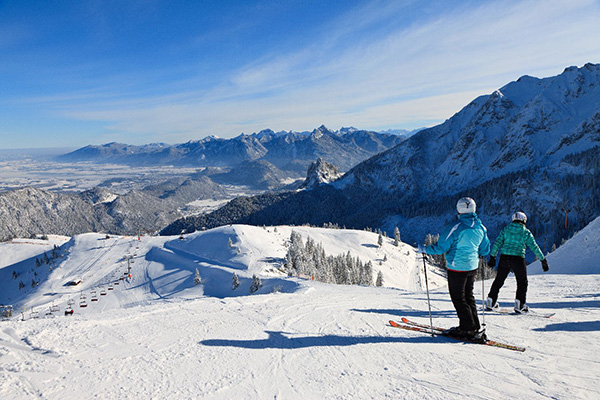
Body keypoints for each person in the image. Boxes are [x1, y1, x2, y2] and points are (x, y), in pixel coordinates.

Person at [419, 197, 490, 342]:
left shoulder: (456, 227)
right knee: (468, 296)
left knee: (458, 297)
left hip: (457, 267)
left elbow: (441, 247)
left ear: (459, 209)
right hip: (472, 267)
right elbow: (485, 249)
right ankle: (474, 325)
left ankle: (467, 328)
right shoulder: (481, 227)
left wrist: (425, 249)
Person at [485, 211, 549, 313]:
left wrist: (493, 257)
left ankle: (490, 301)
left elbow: (497, 243)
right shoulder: (526, 232)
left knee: (499, 280)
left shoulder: (506, 229)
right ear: (524, 220)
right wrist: (543, 260)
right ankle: (520, 304)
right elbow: (534, 247)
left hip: (504, 258)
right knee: (522, 282)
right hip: (518, 259)